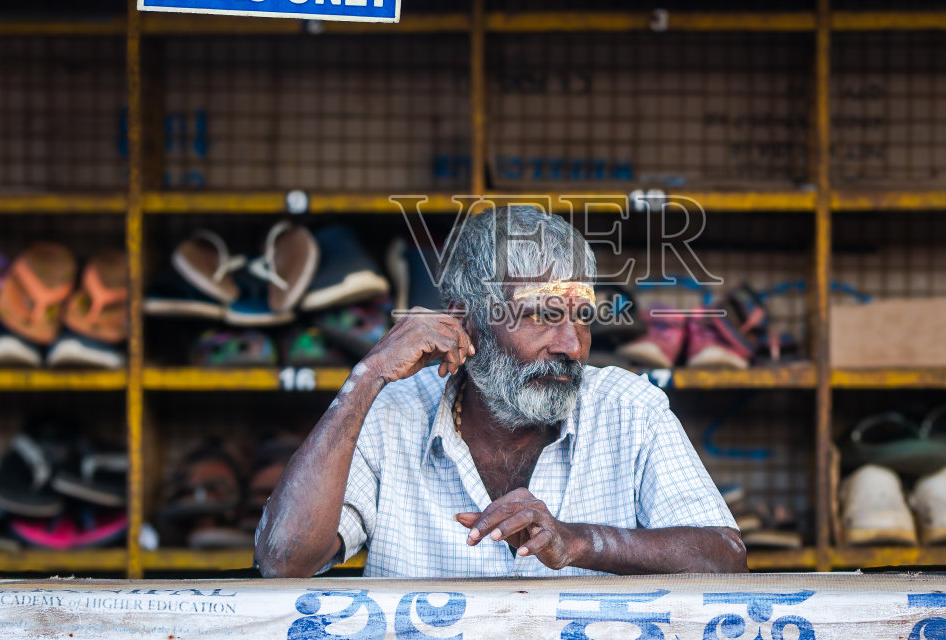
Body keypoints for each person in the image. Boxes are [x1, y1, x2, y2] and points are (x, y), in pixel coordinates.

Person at [255, 205, 746, 578]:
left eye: (582, 317)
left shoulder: (629, 409)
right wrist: (367, 376)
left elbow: (726, 559)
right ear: (464, 318)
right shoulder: (392, 411)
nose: (572, 346)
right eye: (542, 316)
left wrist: (578, 543)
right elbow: (283, 560)